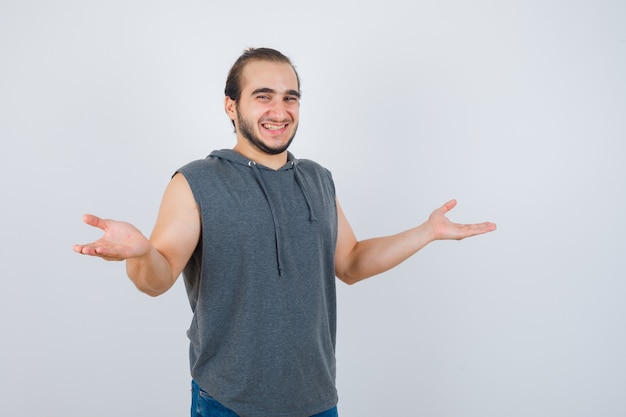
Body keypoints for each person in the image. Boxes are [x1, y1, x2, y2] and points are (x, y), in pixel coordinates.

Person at [74, 47, 496, 417]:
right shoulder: (196, 181)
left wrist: (425, 232)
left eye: (289, 98)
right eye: (263, 97)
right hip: (228, 401)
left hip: (317, 398)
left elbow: (350, 264)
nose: (279, 111)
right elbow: (157, 279)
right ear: (230, 106)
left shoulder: (318, 179)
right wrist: (140, 254)